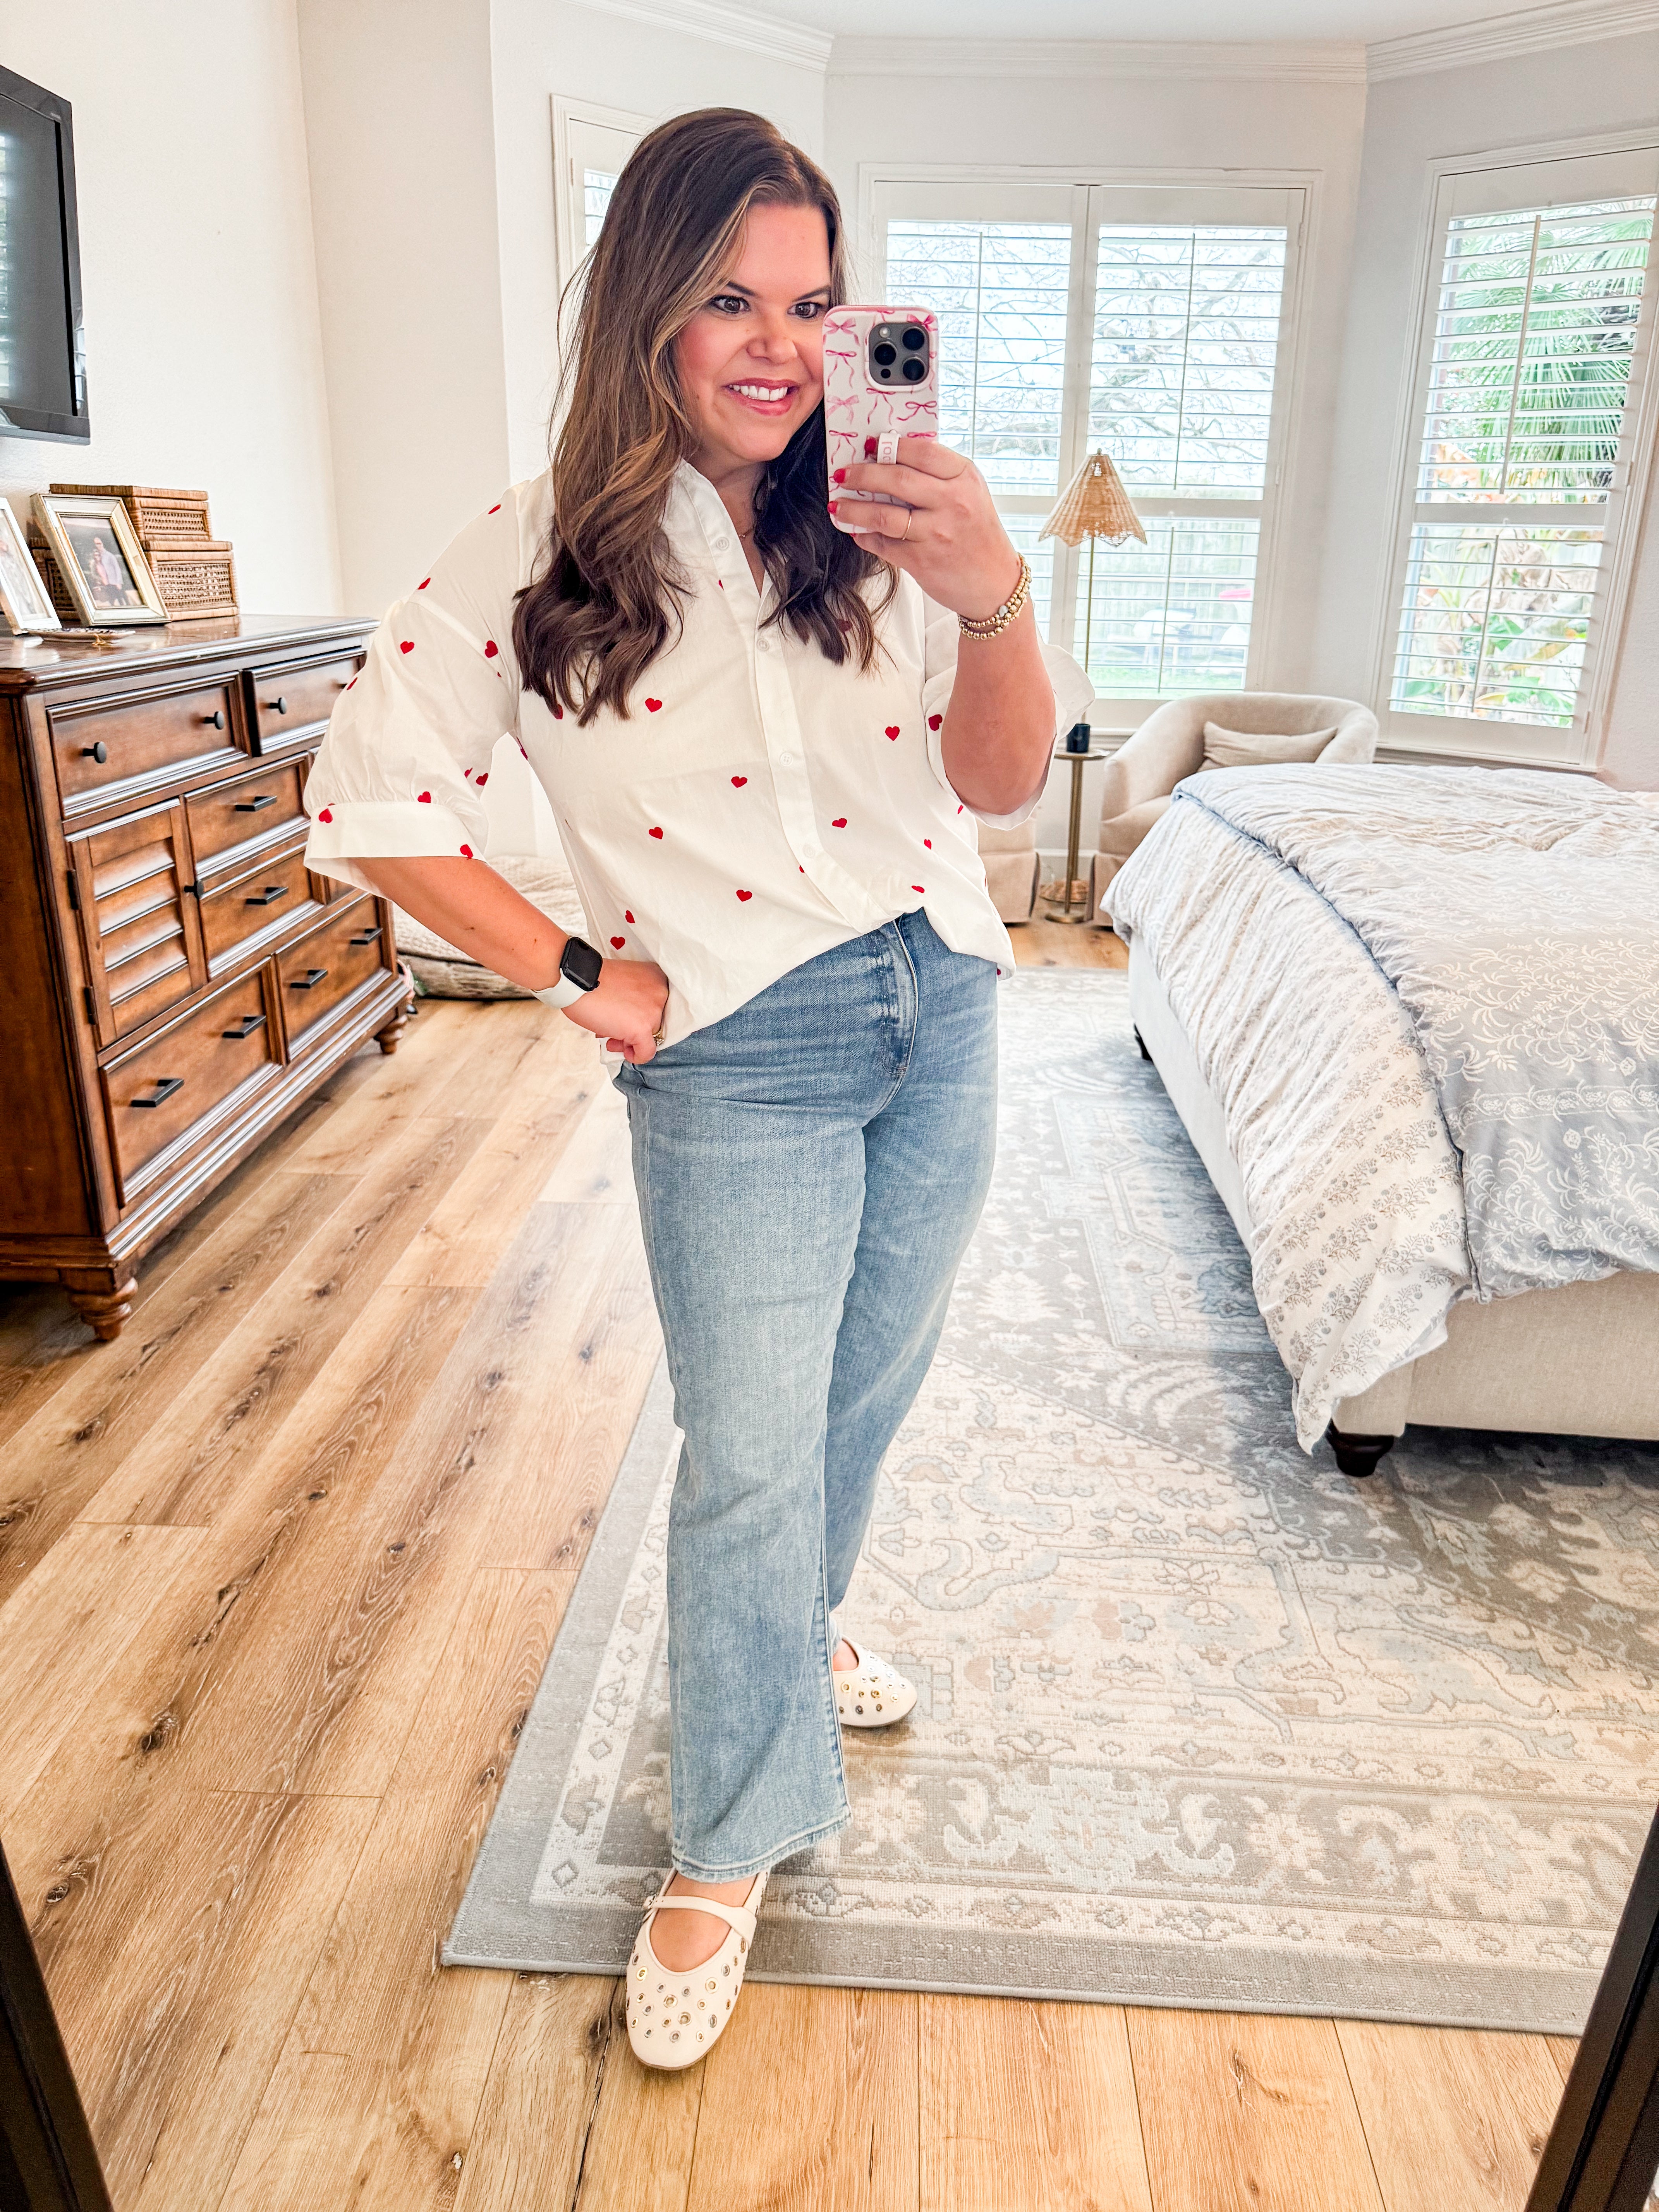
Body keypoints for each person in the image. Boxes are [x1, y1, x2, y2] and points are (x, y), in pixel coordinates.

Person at [302, 106, 1088, 2071]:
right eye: (732, 298)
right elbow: (374, 798)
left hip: (948, 1000)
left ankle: (794, 1638)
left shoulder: (892, 517)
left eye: (815, 304)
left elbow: (1000, 790)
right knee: (747, 1444)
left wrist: (993, 590)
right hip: (737, 1044)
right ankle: (732, 1832)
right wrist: (586, 976)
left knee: (859, 1393)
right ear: (648, 308)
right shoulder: (541, 548)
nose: (781, 345)